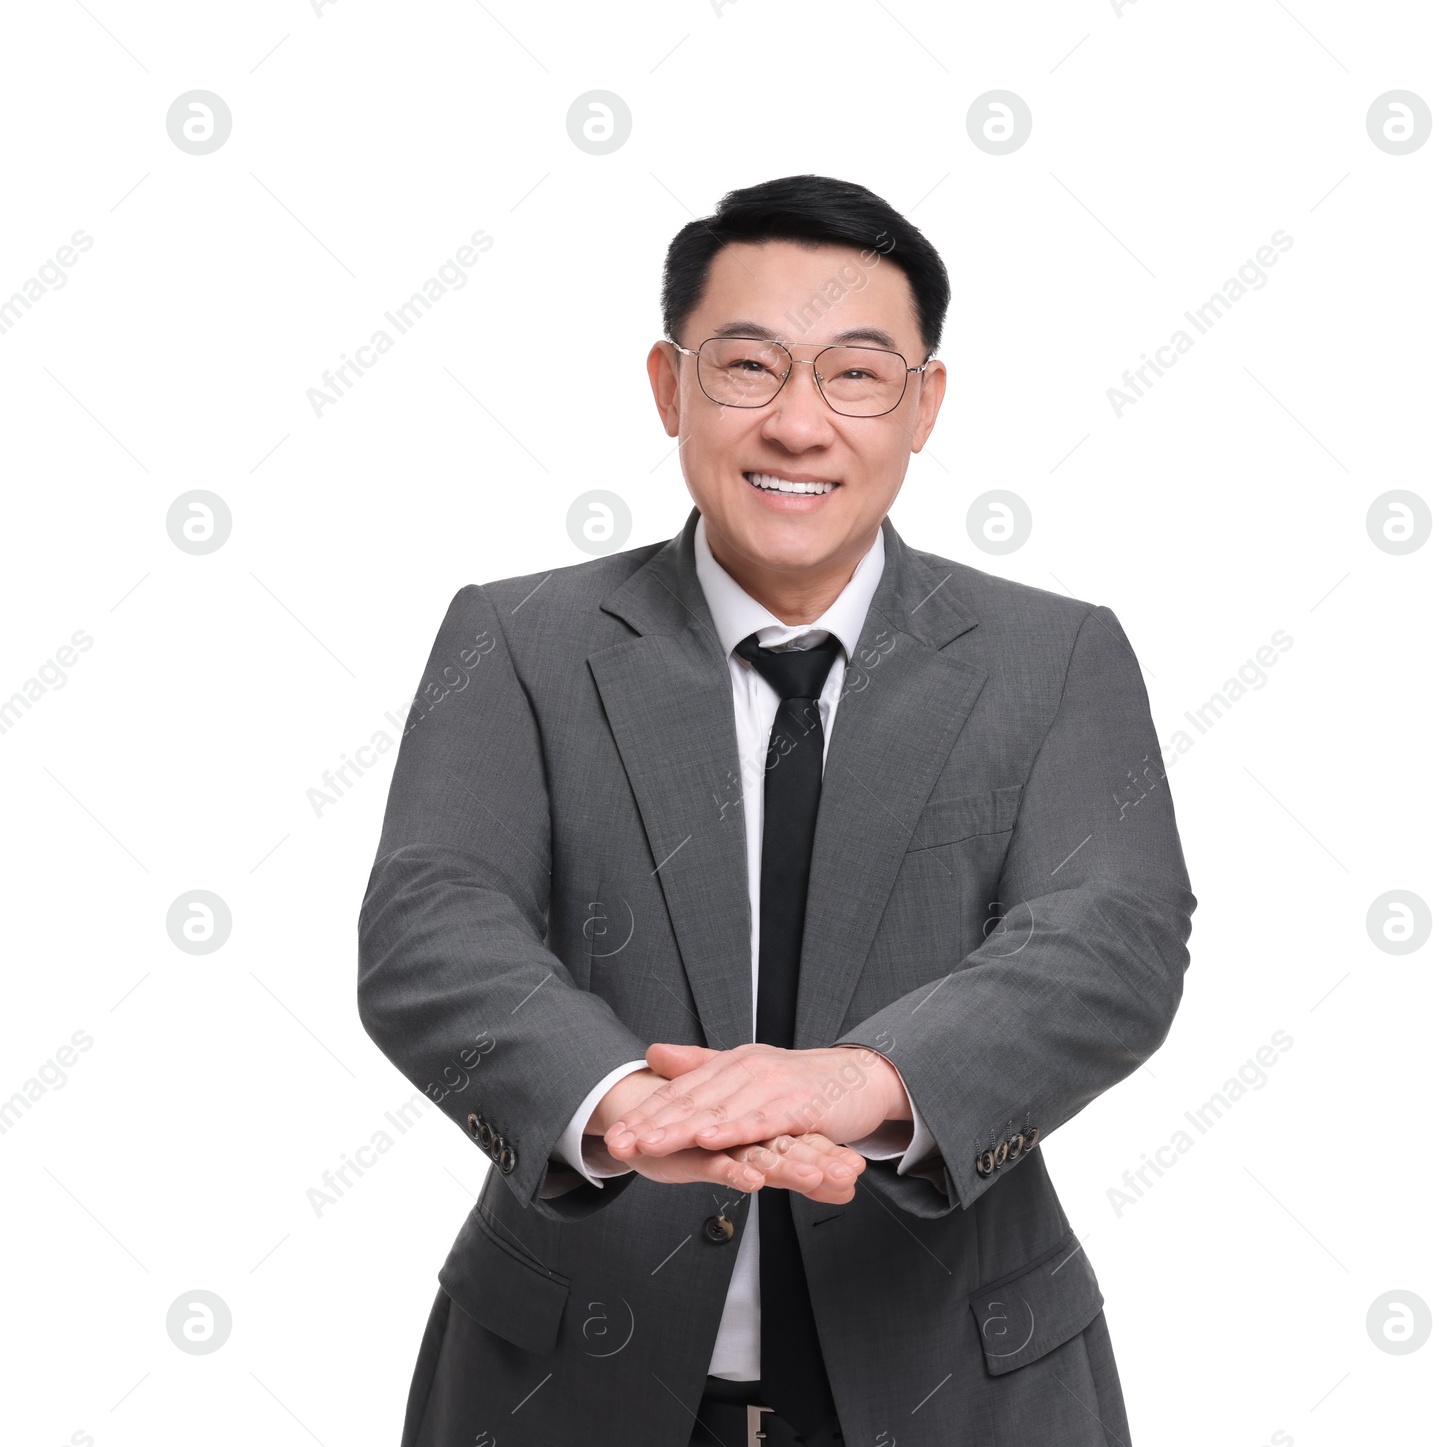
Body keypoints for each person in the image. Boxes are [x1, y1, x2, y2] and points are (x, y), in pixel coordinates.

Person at [357, 173, 1196, 1447]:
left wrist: (863, 1080)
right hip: (561, 1390)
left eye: (857, 374)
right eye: (748, 365)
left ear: (924, 405)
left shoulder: (1053, 656)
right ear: (668, 385)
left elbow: (1107, 940)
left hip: (966, 1387)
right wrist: (619, 1101)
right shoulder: (519, 641)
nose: (799, 422)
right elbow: (434, 923)